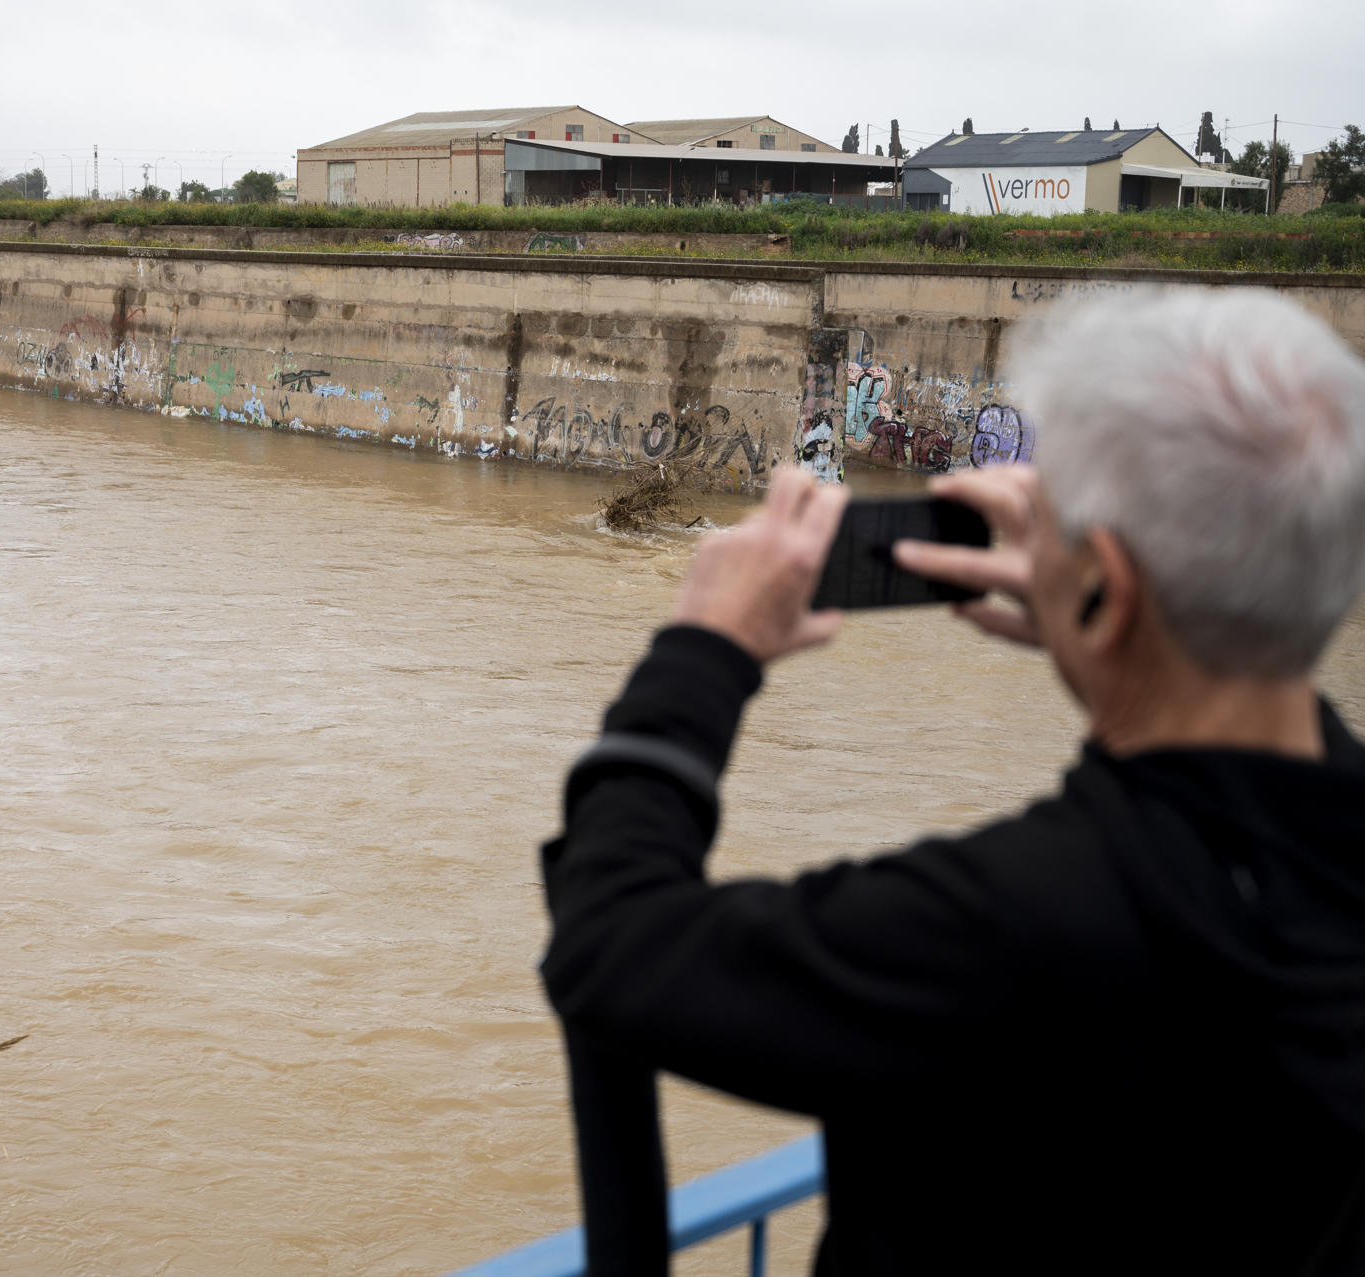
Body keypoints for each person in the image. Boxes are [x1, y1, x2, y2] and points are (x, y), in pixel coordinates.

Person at [539, 288, 1365, 1275]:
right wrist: (1101, 637)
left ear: (1106, 584)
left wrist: (703, 649)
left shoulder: (1009, 922)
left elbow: (610, 945)